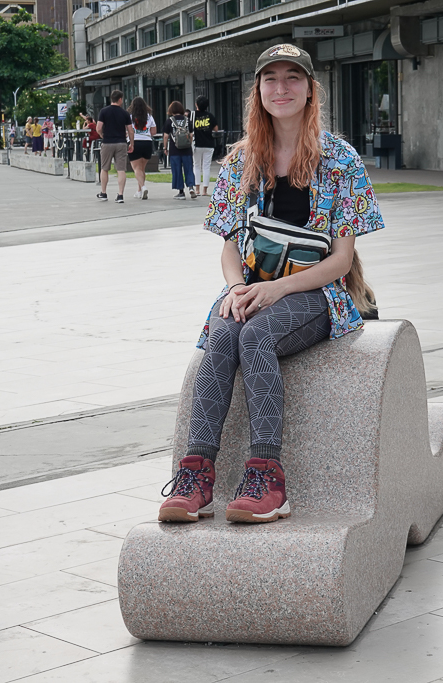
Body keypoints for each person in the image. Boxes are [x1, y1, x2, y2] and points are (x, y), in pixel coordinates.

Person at [157, 43, 383, 524]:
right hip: (251, 285)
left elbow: (341, 261)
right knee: (222, 334)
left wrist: (277, 289)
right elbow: (228, 247)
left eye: (292, 78)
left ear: (310, 90)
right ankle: (196, 477)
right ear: (257, 90)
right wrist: (235, 288)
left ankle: (268, 479)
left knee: (256, 336)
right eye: (271, 79)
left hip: (316, 293)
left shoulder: (339, 159)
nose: (282, 88)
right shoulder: (241, 160)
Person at [96, 90, 134, 203]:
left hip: (107, 142)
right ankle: (120, 195)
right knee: (121, 169)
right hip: (121, 143)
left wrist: (102, 135)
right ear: (120, 99)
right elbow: (130, 130)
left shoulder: (103, 111)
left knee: (104, 168)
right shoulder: (125, 113)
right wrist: (131, 143)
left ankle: (103, 193)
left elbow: (98, 128)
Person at [162, 101, 195, 199]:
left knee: (177, 170)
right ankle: (191, 187)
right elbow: (191, 135)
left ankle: (181, 192)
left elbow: (165, 136)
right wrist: (189, 144)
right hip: (187, 150)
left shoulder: (169, 121)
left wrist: (165, 148)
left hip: (174, 150)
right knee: (189, 169)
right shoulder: (187, 120)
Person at [127, 97, 156, 200]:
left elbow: (126, 130)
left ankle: (143, 187)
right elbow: (154, 132)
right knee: (142, 169)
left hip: (135, 142)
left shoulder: (130, 117)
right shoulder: (149, 116)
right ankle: (139, 191)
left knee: (136, 168)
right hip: (147, 143)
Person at [191, 95, 218, 198]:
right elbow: (216, 129)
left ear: (196, 104)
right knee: (206, 166)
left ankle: (197, 189)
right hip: (209, 144)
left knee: (196, 166)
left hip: (196, 144)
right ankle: (205, 190)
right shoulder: (210, 116)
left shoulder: (193, 116)